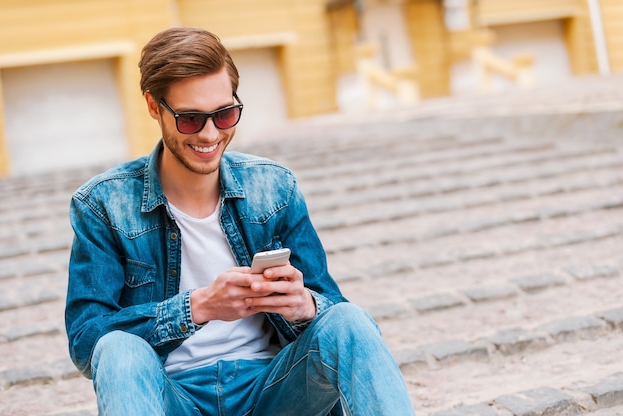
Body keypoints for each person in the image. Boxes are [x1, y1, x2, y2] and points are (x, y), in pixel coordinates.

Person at [65, 26, 415, 416]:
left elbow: (336, 318)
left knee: (348, 321)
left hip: (275, 391)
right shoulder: (103, 204)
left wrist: (305, 306)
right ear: (153, 106)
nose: (211, 134)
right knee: (117, 347)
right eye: (190, 119)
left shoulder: (274, 186)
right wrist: (197, 307)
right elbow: (85, 341)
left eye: (225, 113)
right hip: (171, 398)